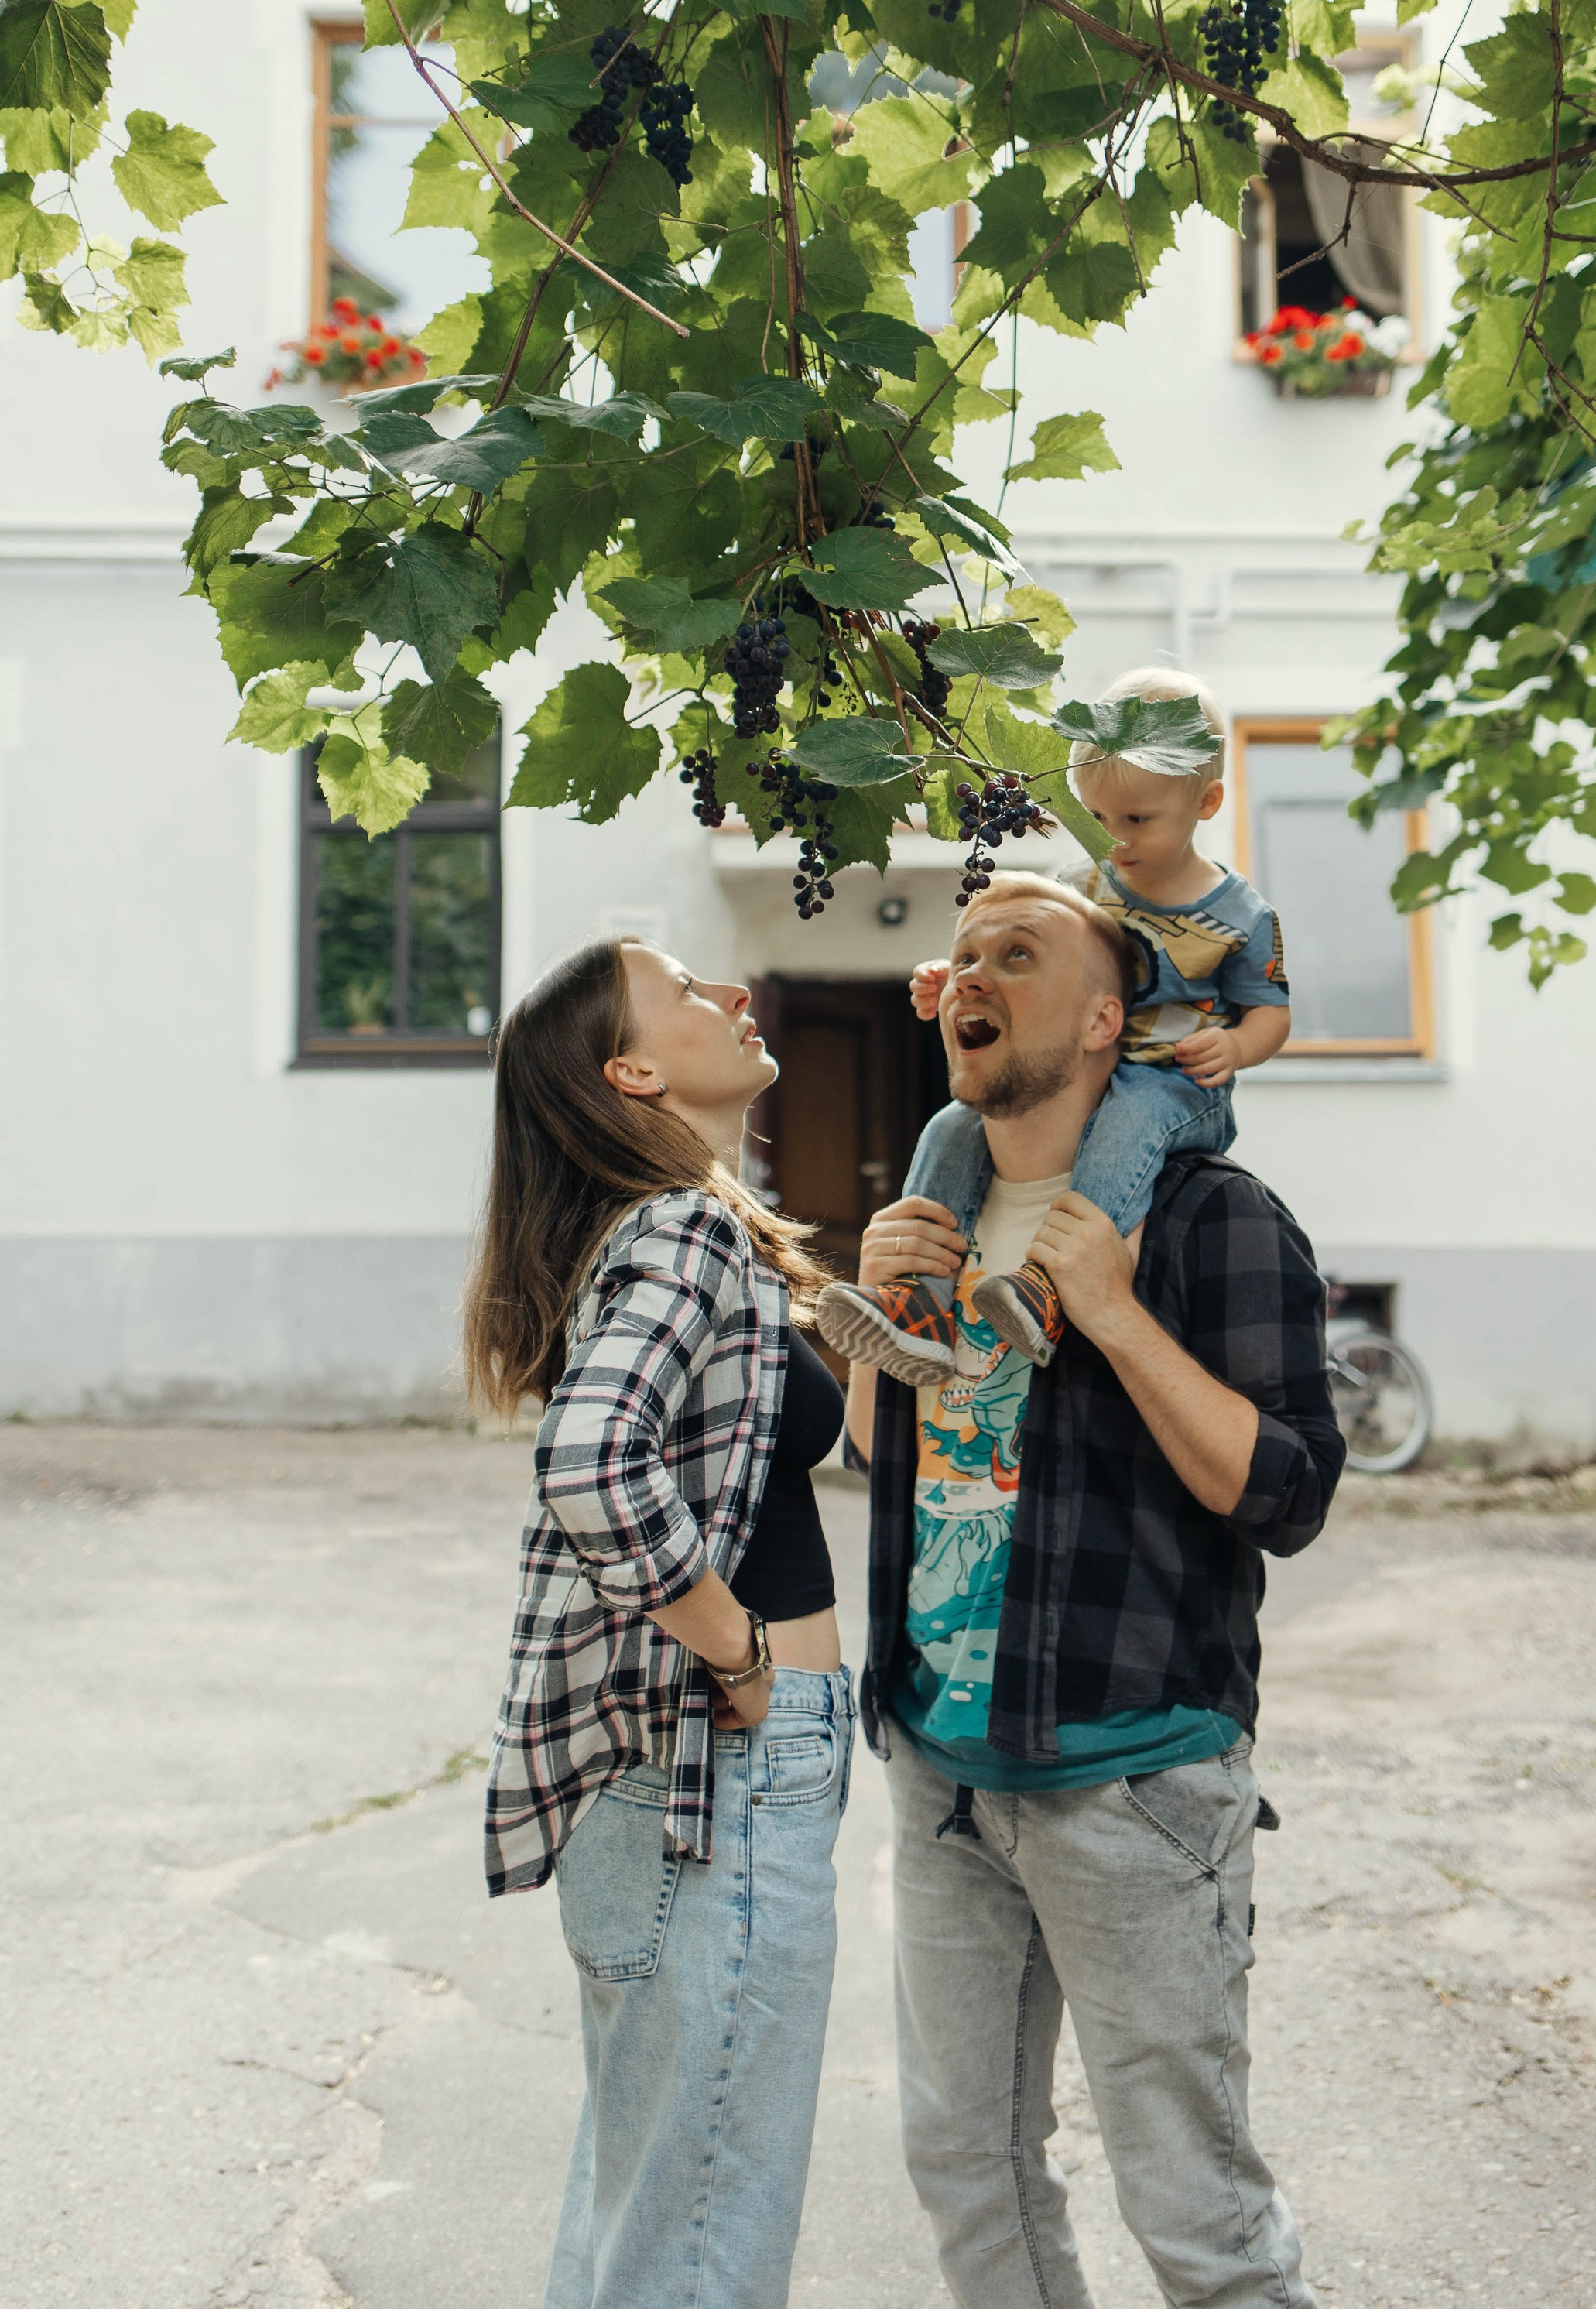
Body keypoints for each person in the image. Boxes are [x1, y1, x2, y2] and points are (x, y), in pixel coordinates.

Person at [847, 871, 1342, 2309]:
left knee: (1198, 2218)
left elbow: (1291, 1495)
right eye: (963, 954)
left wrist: (1115, 1316)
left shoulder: (1211, 1218)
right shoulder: (936, 1214)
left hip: (1133, 1779)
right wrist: (879, 1319)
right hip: (943, 1770)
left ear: (1107, 1018)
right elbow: (887, 1458)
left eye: (1019, 953)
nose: (973, 974)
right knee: (968, 2167)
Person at [464, 941, 853, 2309]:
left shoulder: (653, 1227)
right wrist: (737, 1646)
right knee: (699, 2242)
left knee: (643, 2204)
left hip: (664, 1776)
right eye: (688, 992)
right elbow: (591, 1465)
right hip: (722, 1768)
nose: (733, 996)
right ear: (630, 1072)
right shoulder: (686, 1229)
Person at [816, 666, 1292, 1385]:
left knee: (1131, 1121)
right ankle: (919, 1301)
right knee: (951, 1126)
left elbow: (1272, 1012)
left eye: (1136, 820)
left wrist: (1235, 1045)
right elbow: (1034, 962)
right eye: (1095, 818)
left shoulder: (1241, 915)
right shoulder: (1081, 885)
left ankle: (1046, 1285)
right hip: (1094, 1071)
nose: (1114, 839)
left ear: (1207, 803)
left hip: (1176, 1083)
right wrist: (958, 979)